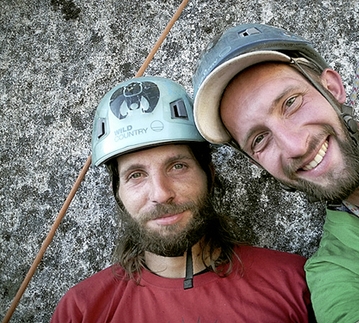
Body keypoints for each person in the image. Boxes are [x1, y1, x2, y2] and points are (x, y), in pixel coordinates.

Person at [192, 23, 359, 323]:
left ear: (332, 87)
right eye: (259, 139)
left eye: (291, 103)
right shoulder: (338, 272)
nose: (294, 146)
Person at [50, 76, 314, 322]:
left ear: (209, 175)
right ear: (117, 193)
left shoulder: (295, 284)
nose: (161, 193)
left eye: (177, 166)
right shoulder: (82, 311)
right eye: (136, 175)